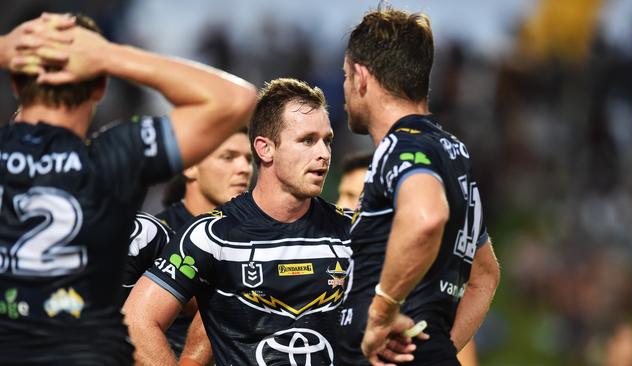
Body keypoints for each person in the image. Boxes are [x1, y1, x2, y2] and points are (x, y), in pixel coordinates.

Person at [0, 13, 256, 365]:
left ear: (15, 82)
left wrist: (4, 47)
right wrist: (110, 56)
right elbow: (234, 98)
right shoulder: (114, 156)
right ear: (100, 87)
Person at [123, 78, 353, 365]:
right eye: (307, 140)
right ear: (265, 148)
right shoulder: (212, 236)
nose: (323, 153)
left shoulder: (352, 232)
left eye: (327, 140)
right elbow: (136, 322)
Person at [337, 8, 500, 366]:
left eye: (346, 76)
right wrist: (441, 350)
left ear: (362, 77)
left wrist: (381, 313)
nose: (345, 89)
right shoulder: (451, 152)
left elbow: (427, 216)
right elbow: (485, 275)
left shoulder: (402, 146)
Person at [124, 129, 253, 362]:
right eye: (228, 157)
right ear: (190, 167)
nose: (244, 168)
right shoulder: (151, 239)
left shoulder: (260, 239)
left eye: (248, 159)